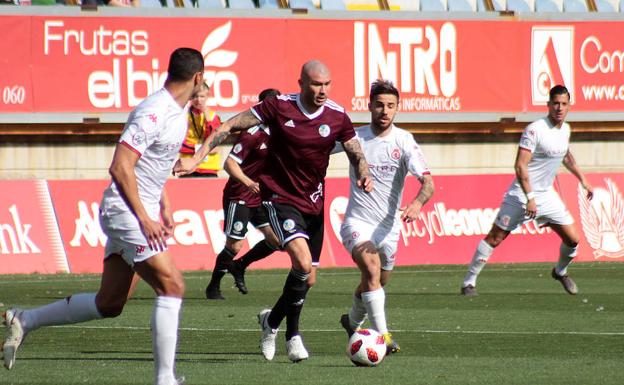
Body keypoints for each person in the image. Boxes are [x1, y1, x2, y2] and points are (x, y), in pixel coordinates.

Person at [2, 47, 205, 385]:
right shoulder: (154, 112)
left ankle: (25, 319)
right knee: (172, 285)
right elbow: (120, 166)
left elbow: (149, 168)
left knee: (110, 302)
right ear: (198, 78)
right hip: (126, 212)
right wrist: (143, 217)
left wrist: (163, 206)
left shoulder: (178, 113)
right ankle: (165, 379)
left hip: (137, 211)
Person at [174, 60, 373, 363]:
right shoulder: (278, 106)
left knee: (308, 278)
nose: (322, 90)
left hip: (314, 203)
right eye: (316, 84)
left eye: (327, 84)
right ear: (302, 83)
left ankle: (272, 322)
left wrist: (364, 170)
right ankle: (293, 335)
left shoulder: (337, 115)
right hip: (278, 197)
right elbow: (228, 126)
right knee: (302, 262)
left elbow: (355, 149)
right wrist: (195, 159)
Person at [460, 85, 594, 297]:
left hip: (546, 195)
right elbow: (520, 166)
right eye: (556, 103)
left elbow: (566, 156)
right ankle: (469, 282)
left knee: (573, 239)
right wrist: (530, 198)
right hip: (522, 194)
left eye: (564, 104)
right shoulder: (535, 130)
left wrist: (583, 180)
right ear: (548, 105)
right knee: (495, 238)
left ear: (569, 106)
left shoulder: (565, 129)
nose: (559, 108)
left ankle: (560, 271)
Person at [337, 80, 434, 354]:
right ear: (369, 106)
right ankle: (384, 337)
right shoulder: (354, 138)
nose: (384, 110)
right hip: (358, 223)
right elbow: (315, 149)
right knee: (370, 269)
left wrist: (416, 203)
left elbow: (428, 183)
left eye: (390, 106)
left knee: (378, 280)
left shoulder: (403, 141)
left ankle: (352, 320)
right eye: (379, 104)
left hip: (389, 229)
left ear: (397, 108)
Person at [205, 88, 282, 300]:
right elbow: (229, 164)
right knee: (235, 244)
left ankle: (240, 266)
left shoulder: (279, 132)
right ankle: (213, 286)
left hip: (260, 197)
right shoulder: (251, 133)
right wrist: (249, 182)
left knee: (277, 240)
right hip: (239, 194)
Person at [178, 82, 222, 178]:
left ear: (207, 96)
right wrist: (201, 149)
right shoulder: (183, 116)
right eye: (194, 96)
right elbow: (179, 144)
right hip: (187, 167)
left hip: (209, 167)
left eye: (202, 96)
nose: (198, 100)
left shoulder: (213, 117)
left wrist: (208, 120)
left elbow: (214, 143)